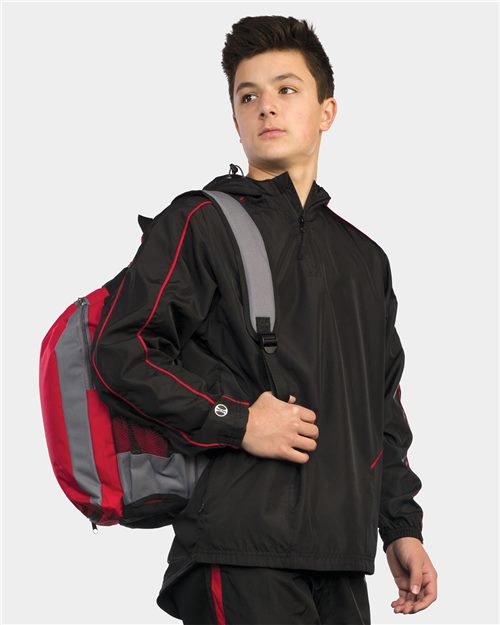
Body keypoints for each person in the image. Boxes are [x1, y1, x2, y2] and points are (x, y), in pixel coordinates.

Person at [92, 14, 438, 624]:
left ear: (327, 111)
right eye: (247, 96)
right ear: (235, 118)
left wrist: (400, 527)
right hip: (238, 550)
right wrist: (238, 419)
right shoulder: (200, 223)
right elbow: (123, 351)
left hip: (340, 559)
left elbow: (381, 406)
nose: (266, 107)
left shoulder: (365, 259)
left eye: (286, 89)